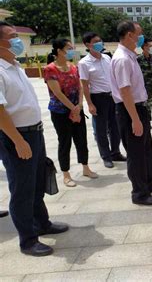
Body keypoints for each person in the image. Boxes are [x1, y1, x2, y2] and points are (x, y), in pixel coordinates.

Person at [0, 21, 68, 256]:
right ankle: (28, 240)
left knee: (38, 181)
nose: (17, 40)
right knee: (22, 189)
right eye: (12, 36)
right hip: (16, 137)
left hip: (34, 132)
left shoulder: (15, 66)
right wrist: (18, 141)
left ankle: (42, 223)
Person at [111, 21, 152, 205]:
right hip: (129, 111)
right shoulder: (122, 59)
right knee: (136, 154)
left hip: (139, 108)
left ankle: (149, 183)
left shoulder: (130, 56)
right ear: (129, 35)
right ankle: (139, 193)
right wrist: (135, 119)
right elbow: (124, 91)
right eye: (139, 33)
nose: (141, 37)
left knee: (145, 150)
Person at [44, 39, 97, 187]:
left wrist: (79, 106)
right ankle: (66, 174)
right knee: (65, 141)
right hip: (60, 112)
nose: (72, 50)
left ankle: (85, 167)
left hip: (77, 110)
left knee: (81, 139)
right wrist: (72, 108)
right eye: (69, 48)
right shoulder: (50, 69)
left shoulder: (73, 67)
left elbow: (80, 87)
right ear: (59, 50)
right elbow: (57, 93)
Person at [78, 32, 126, 169]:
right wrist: (90, 104)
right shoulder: (84, 63)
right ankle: (106, 156)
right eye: (95, 41)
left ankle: (115, 152)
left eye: (100, 40)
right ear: (87, 44)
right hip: (98, 98)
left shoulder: (107, 58)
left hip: (112, 97)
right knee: (101, 130)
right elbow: (85, 85)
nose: (99, 43)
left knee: (115, 127)